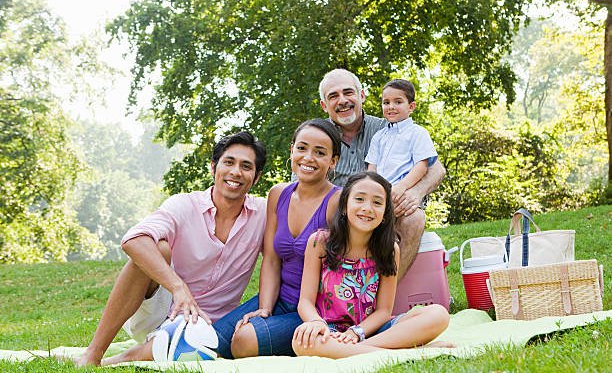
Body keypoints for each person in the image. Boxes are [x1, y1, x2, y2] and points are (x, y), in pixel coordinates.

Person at [76, 131, 267, 366]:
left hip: (211, 326)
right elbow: (133, 240)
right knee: (157, 247)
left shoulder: (264, 215)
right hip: (161, 310)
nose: (236, 172)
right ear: (213, 167)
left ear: (256, 177)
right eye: (229, 162)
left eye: (246, 166)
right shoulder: (185, 205)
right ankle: (92, 354)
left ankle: (125, 357)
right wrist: (179, 288)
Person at [212, 118, 342, 358]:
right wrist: (265, 309)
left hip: (317, 311)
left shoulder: (337, 201)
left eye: (320, 152)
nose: (308, 157)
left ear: (333, 161)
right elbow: (272, 259)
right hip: (280, 298)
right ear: (292, 150)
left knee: (244, 342)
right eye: (302, 148)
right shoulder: (278, 194)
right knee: (212, 342)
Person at [292, 172, 450, 358]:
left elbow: (384, 311)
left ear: (384, 213)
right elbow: (305, 302)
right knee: (302, 343)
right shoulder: (319, 242)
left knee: (439, 314)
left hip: (373, 330)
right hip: (330, 329)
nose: (367, 208)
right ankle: (407, 353)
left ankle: (359, 350)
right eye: (359, 199)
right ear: (344, 206)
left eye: (377, 202)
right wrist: (316, 322)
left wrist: (356, 333)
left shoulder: (389, 249)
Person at [318, 69, 446, 277]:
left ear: (362, 96)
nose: (342, 101)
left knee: (414, 217)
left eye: (348, 92)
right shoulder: (319, 136)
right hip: (338, 216)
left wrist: (416, 192)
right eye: (333, 96)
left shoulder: (389, 127)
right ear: (324, 105)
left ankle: (388, 295)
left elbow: (436, 168)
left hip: (384, 209)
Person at [366, 78, 437, 211]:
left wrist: (402, 187)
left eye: (398, 102)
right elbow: (372, 168)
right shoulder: (379, 136)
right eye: (386, 102)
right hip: (379, 193)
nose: (391, 106)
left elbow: (422, 166)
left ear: (411, 107)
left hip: (404, 192)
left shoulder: (418, 133)